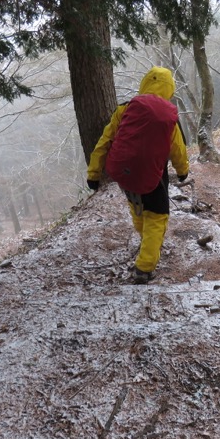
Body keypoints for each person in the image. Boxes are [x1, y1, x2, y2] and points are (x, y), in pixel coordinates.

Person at [86, 67, 190, 284]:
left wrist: (94, 173)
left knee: (138, 207)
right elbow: (177, 148)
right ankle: (144, 267)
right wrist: (182, 171)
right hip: (153, 174)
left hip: (124, 173)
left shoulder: (126, 109)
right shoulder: (168, 117)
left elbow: (105, 141)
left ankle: (147, 245)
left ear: (145, 83)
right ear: (169, 88)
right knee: (157, 216)